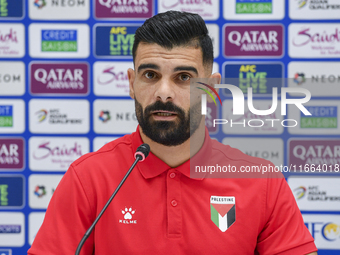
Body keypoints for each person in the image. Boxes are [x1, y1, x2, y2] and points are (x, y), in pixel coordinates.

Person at [28, 11, 318, 255]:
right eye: (150, 75)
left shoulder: (262, 182)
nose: (163, 93)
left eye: (183, 78)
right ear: (132, 83)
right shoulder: (87, 178)